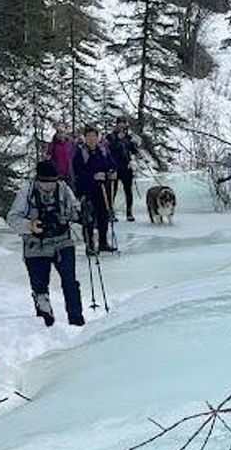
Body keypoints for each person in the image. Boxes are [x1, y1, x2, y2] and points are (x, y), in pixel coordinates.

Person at [8, 159, 84, 328]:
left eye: (52, 182)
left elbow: (74, 210)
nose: (49, 186)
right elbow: (12, 217)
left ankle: (77, 321)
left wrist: (82, 215)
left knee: (70, 282)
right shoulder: (26, 191)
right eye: (45, 183)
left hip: (62, 241)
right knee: (40, 286)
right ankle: (45, 323)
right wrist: (30, 225)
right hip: (36, 246)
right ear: (38, 180)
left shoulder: (63, 189)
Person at [72, 124, 117, 254]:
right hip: (87, 189)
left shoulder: (103, 151)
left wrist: (110, 173)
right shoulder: (81, 153)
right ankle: (89, 245)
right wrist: (93, 176)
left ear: (98, 138)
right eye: (89, 136)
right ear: (85, 138)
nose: (92, 139)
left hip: (103, 189)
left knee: (103, 216)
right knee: (89, 218)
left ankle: (103, 242)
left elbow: (111, 165)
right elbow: (77, 172)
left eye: (94, 136)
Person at [106, 116, 139, 221]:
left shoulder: (128, 137)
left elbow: (133, 151)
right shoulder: (111, 137)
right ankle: (111, 212)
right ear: (116, 125)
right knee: (112, 191)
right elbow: (109, 149)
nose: (121, 125)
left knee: (128, 191)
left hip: (126, 167)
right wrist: (118, 140)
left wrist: (135, 145)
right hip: (114, 167)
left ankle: (129, 213)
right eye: (120, 123)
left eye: (123, 123)